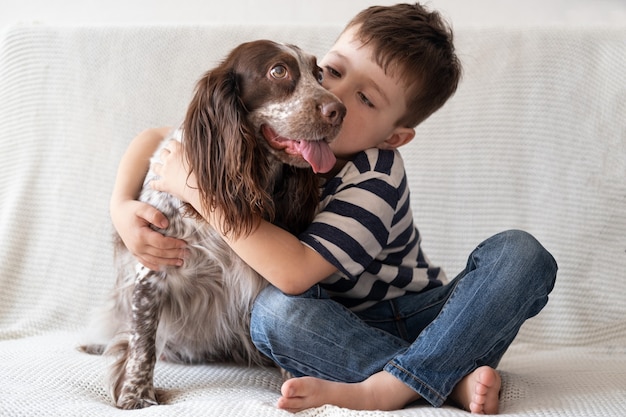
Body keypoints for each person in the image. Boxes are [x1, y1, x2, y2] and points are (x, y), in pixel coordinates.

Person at [112, 3, 558, 414]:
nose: (333, 101)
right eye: (331, 72)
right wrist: (121, 207)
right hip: (324, 328)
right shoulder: (284, 146)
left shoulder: (376, 175)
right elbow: (157, 138)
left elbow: (294, 272)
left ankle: (388, 386)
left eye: (366, 100)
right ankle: (443, 379)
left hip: (421, 316)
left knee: (521, 255)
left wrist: (197, 192)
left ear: (393, 137)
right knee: (274, 315)